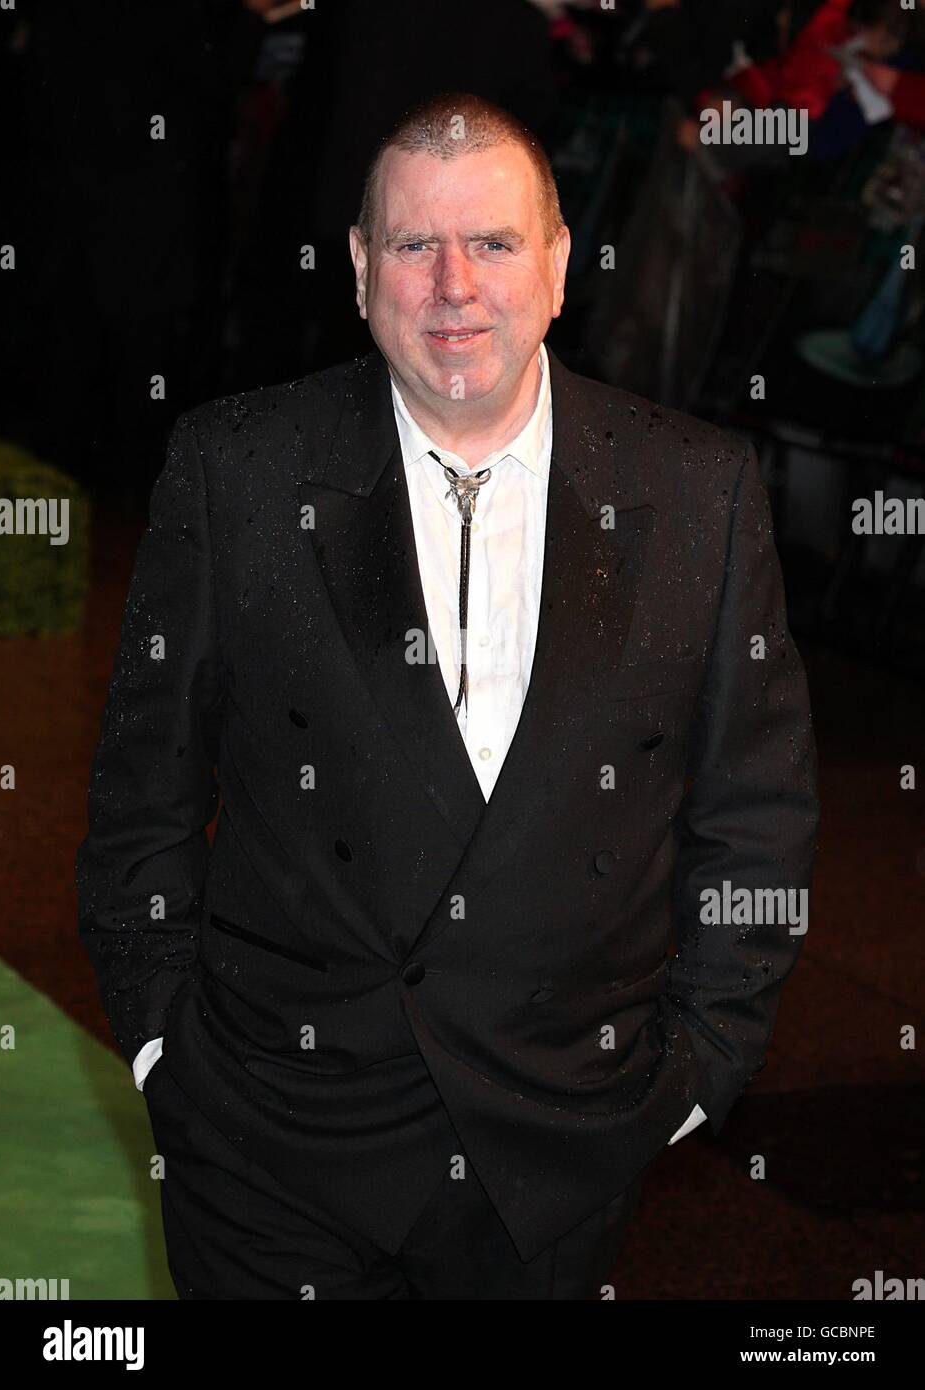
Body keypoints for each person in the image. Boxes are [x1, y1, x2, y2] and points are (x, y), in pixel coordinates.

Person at [76, 92, 820, 1300]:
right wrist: (166, 1047)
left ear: (561, 264)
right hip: (271, 1148)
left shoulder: (698, 490)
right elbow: (139, 794)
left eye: (493, 243)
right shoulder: (241, 472)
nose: (453, 285)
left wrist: (700, 1067)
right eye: (415, 245)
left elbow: (755, 810)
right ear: (363, 270)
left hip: (554, 1157)